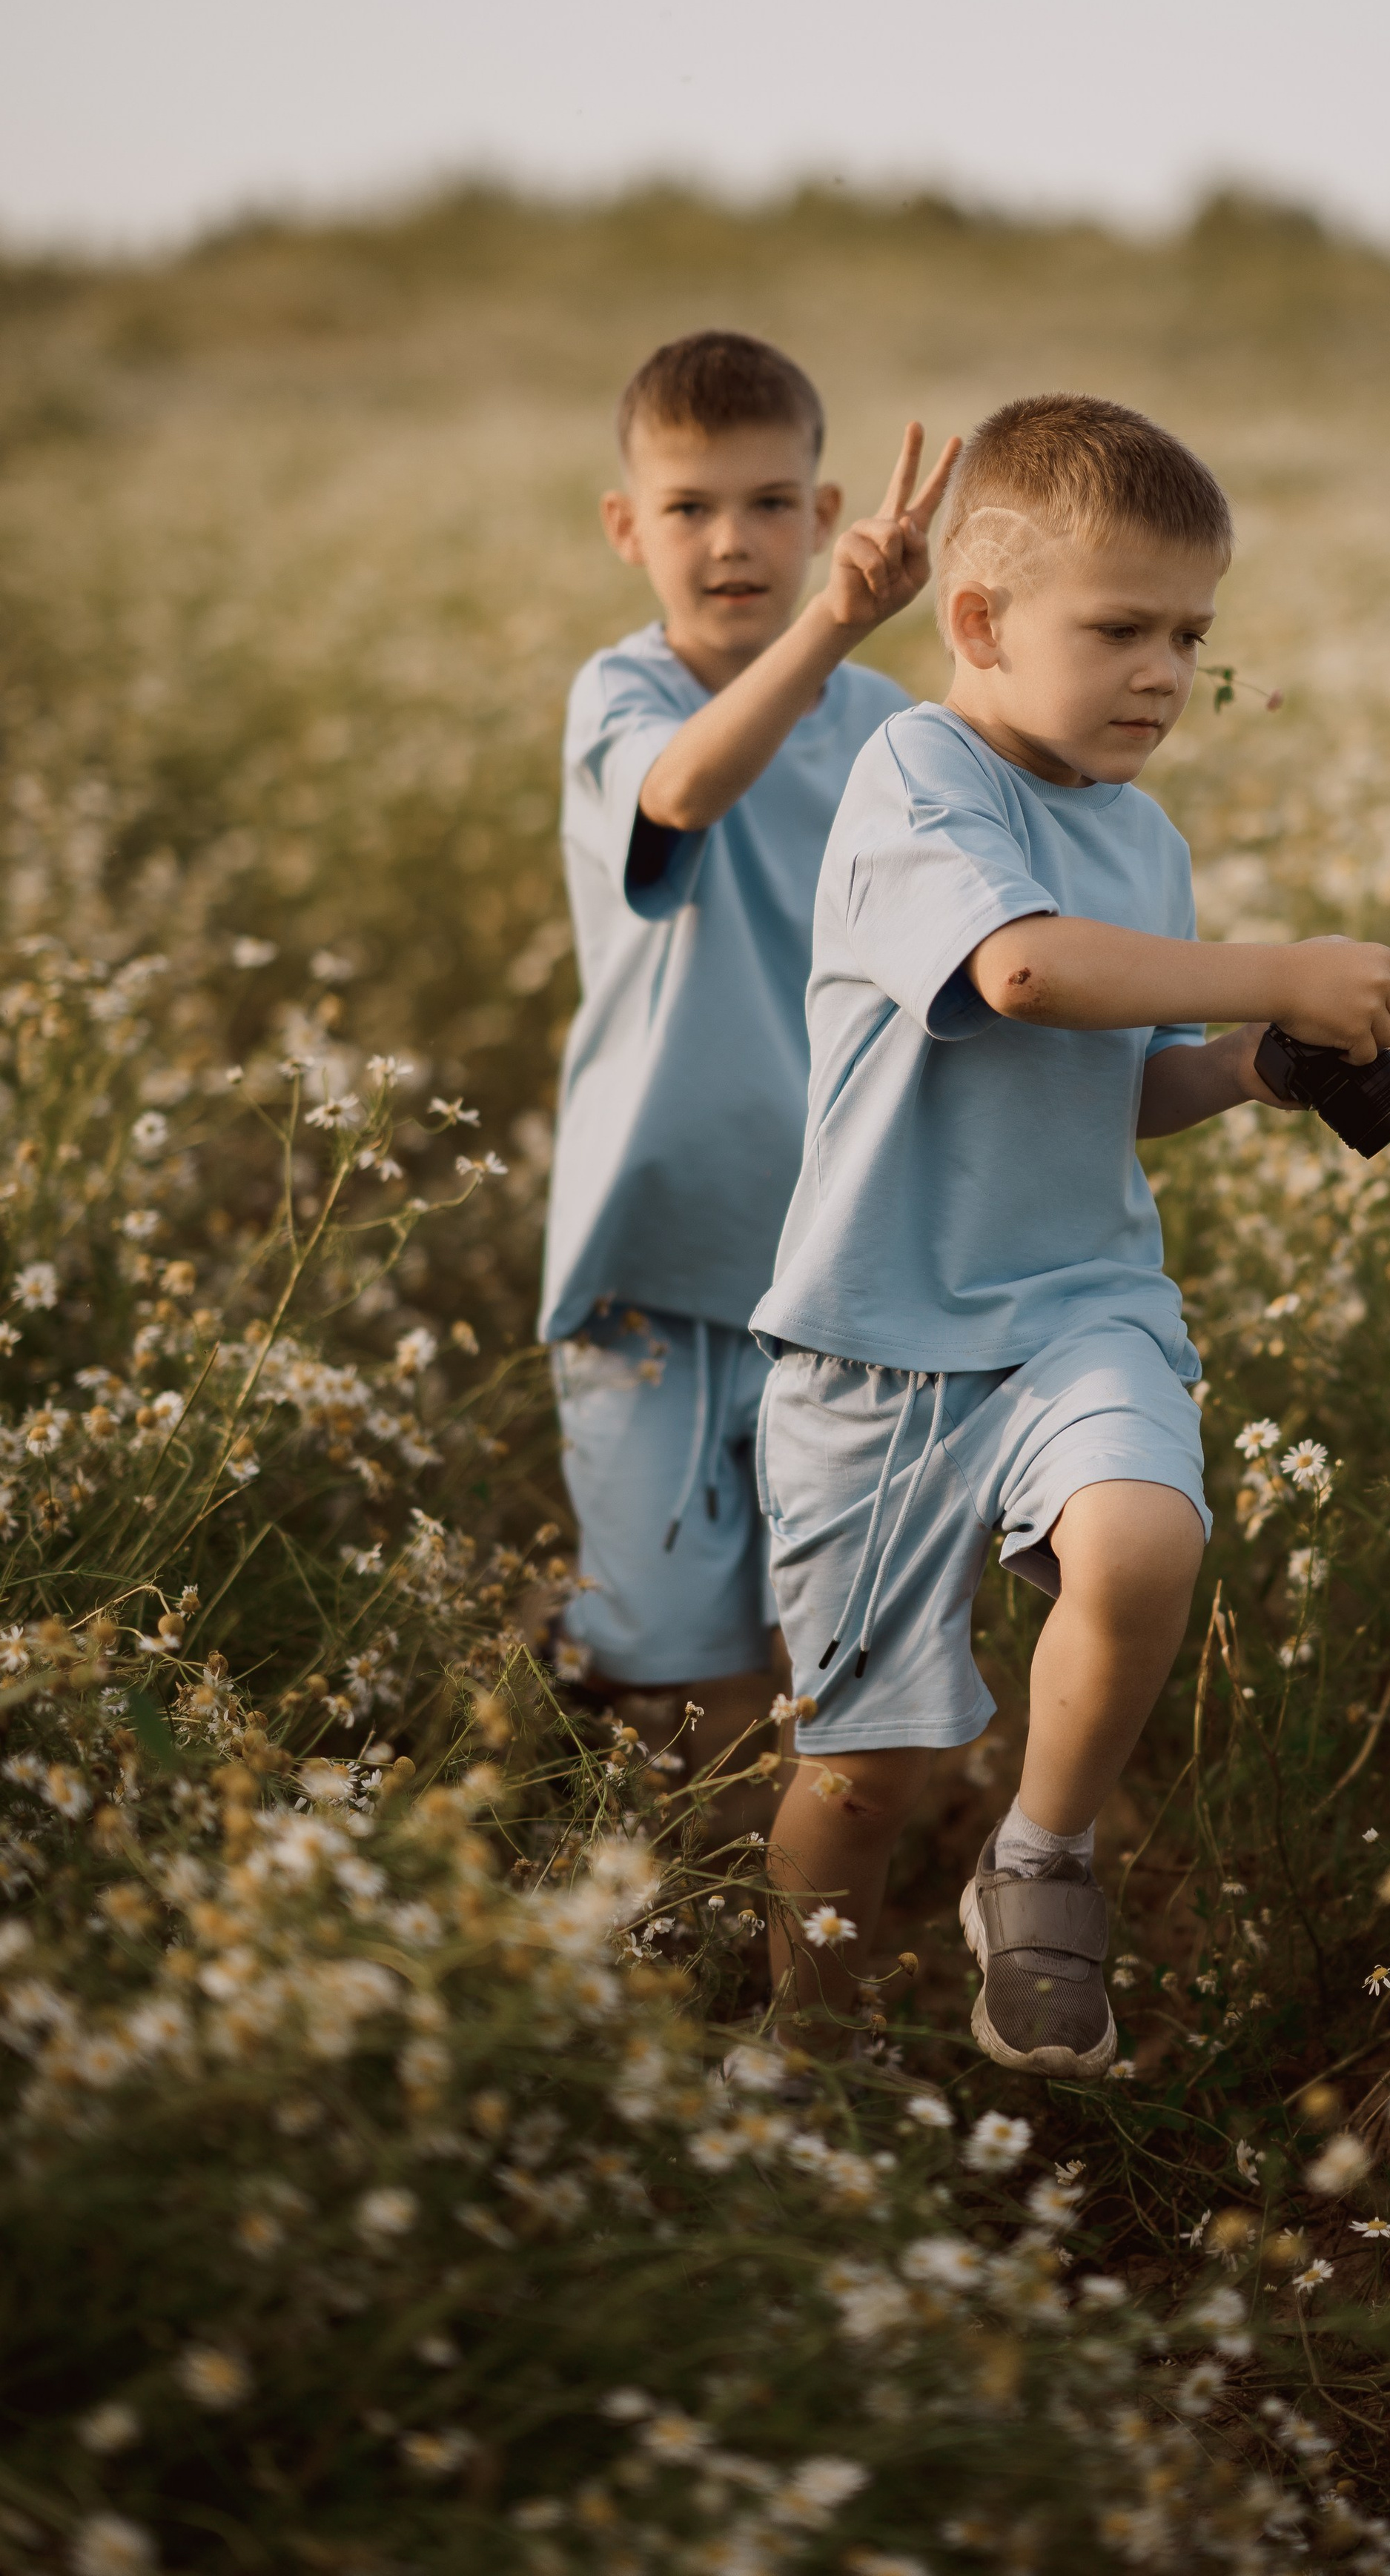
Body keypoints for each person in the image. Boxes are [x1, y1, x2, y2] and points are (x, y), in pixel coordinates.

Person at [752, 392, 1390, 2076]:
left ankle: (1042, 1856)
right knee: (863, 1775)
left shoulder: (1146, 840)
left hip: (1077, 1306)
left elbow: (1107, 1081)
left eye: (1191, 635)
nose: (1163, 672)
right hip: (878, 1341)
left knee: (1138, 1546)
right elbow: (1023, 975)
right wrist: (1276, 970)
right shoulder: (917, 770)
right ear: (975, 623)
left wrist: (1247, 1066)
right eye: (1118, 627)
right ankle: (804, 2052)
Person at [539, 327, 958, 1787]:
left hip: (834, 1254)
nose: (734, 541)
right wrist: (830, 629)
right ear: (625, 528)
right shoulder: (623, 697)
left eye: (772, 503)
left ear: (827, 514)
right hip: (649, 1246)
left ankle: (813, 1924)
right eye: (689, 507)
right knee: (675, 1649)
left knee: (826, 1625)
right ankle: (711, 1906)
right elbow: (684, 788)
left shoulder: (898, 729)